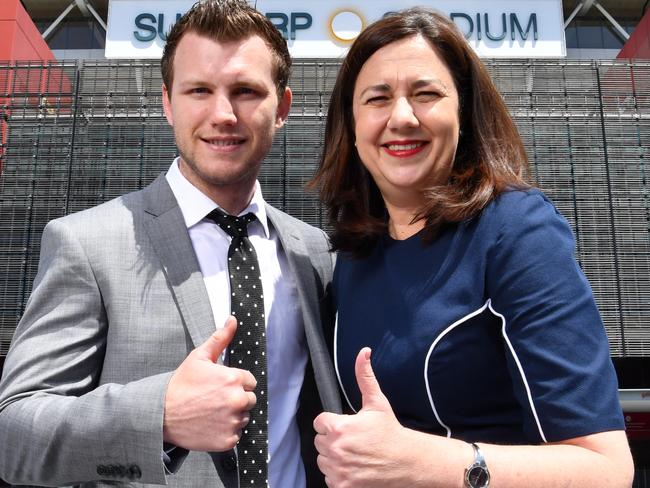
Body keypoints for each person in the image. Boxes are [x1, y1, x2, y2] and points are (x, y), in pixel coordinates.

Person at [0, 1, 341, 486]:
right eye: (199, 90)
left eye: (245, 91)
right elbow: (12, 435)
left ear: (282, 107)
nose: (223, 114)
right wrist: (158, 417)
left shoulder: (316, 253)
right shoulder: (87, 242)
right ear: (167, 102)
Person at [310, 8, 634, 488]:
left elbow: (607, 468)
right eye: (377, 99)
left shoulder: (516, 231)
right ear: (352, 128)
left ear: (463, 112)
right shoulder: (355, 256)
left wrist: (428, 465)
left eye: (426, 94)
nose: (401, 117)